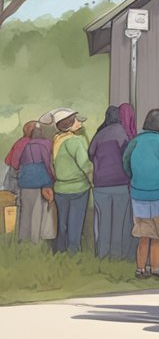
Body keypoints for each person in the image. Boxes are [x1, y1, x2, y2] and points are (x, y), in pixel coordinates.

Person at [124, 109, 159, 278]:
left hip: (139, 194)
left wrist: (134, 177)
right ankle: (154, 269)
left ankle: (140, 269)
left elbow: (125, 161)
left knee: (143, 234)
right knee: (157, 236)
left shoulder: (136, 141)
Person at [89, 105, 135, 260]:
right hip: (119, 183)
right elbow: (127, 155)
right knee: (119, 222)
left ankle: (102, 254)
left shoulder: (99, 134)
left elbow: (90, 154)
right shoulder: (121, 132)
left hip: (100, 184)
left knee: (103, 222)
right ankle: (116, 256)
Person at [50, 109, 93, 254]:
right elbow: (85, 165)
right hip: (78, 188)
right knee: (75, 222)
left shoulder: (57, 139)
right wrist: (93, 180)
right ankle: (73, 251)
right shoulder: (75, 141)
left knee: (62, 222)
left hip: (60, 188)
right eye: (76, 120)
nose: (80, 122)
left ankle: (61, 249)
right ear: (69, 123)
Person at [12, 120, 55, 246]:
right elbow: (47, 163)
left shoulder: (25, 144)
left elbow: (16, 163)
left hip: (25, 181)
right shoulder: (46, 143)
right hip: (41, 181)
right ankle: (35, 241)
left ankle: (22, 239)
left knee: (25, 211)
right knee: (37, 212)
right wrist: (52, 180)